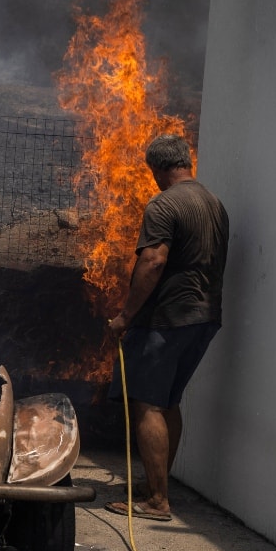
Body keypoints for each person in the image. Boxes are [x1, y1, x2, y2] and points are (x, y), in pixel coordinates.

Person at [105, 133, 228, 522]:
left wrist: (126, 315)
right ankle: (156, 485)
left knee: (147, 403)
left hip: (167, 319)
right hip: (204, 318)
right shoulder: (214, 204)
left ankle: (156, 501)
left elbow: (153, 261)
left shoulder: (164, 204)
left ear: (157, 169)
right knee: (169, 401)